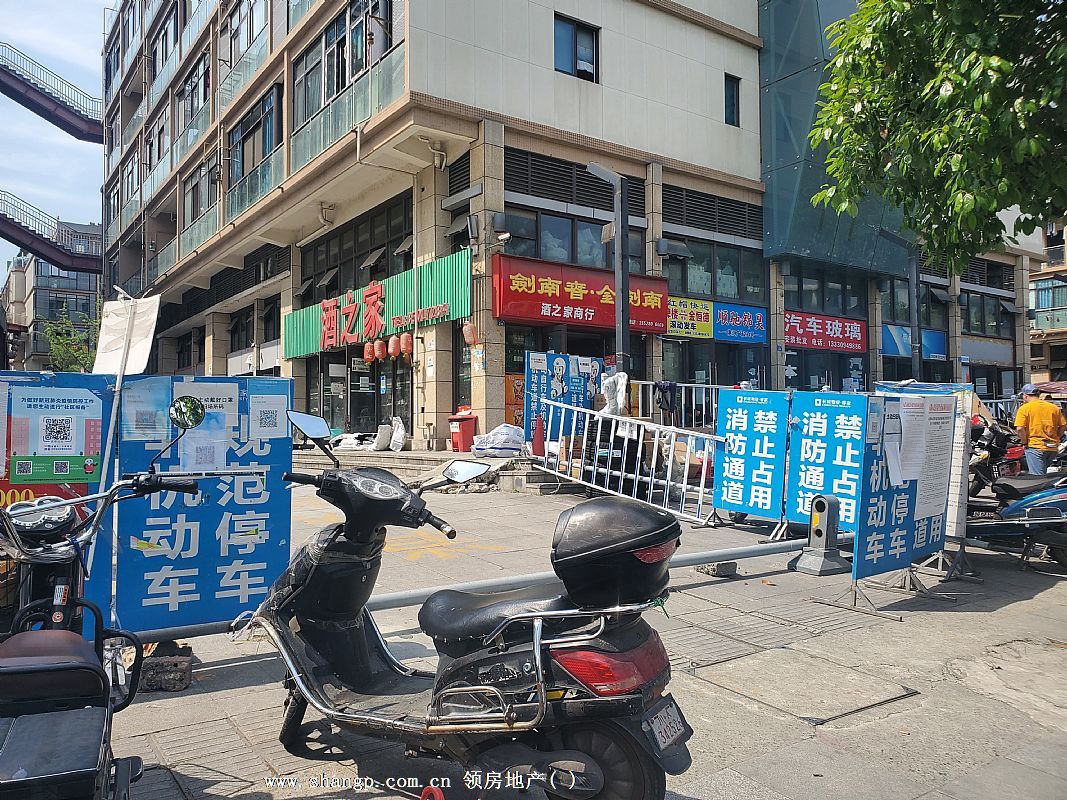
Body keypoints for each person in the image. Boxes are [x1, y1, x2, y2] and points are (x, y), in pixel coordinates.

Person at [1014, 384, 1066, 475]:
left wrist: (1024, 442)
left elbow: (1020, 429)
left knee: (1038, 478)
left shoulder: (1024, 408)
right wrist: (1057, 437)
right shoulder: (1053, 408)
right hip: (1052, 447)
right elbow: (1063, 426)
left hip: (1035, 447)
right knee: (1044, 474)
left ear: (1025, 395)